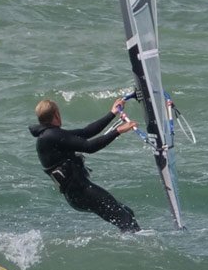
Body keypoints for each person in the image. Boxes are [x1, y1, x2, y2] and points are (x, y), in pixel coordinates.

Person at [30, 98, 141, 231]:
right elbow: (89, 146)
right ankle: (137, 246)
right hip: (81, 192)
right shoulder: (51, 136)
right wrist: (117, 131)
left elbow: (86, 132)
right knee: (125, 219)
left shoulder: (49, 135)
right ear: (56, 114)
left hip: (77, 194)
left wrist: (112, 113)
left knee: (126, 214)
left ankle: (131, 242)